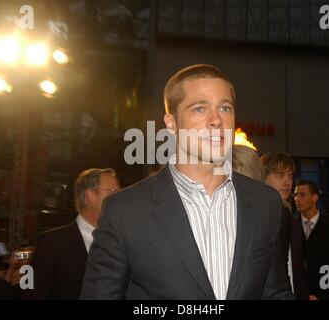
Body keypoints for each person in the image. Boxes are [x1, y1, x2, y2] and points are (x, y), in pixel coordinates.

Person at [81, 64, 293, 300]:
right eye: (200, 108)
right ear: (171, 123)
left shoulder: (265, 203)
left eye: (225, 107)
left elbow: (276, 292)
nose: (216, 120)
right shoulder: (124, 211)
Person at [23, 168, 120, 300]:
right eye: (114, 191)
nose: (121, 197)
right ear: (90, 195)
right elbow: (33, 294)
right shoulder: (50, 243)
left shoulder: (123, 244)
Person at [261, 152, 309, 300]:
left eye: (290, 176)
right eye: (280, 176)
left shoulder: (285, 214)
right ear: (263, 177)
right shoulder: (268, 214)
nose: (288, 182)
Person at [294, 180, 329, 300]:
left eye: (302, 194)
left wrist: (321, 296)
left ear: (315, 198)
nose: (297, 198)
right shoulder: (290, 227)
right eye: (296, 195)